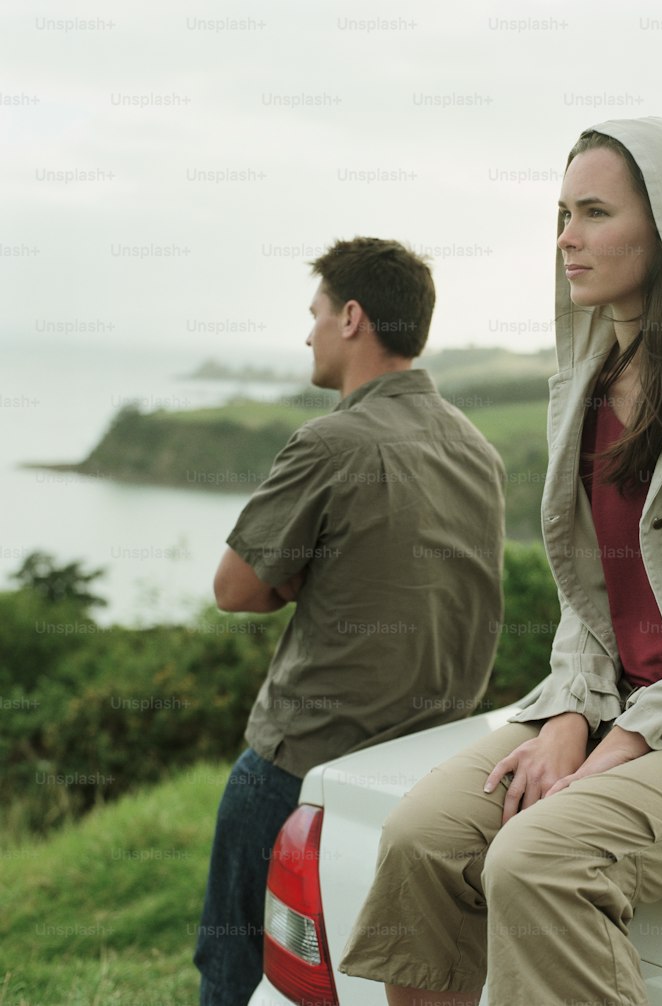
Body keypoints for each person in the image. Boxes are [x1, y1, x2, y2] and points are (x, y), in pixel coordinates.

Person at [337, 119, 662, 1006]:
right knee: (422, 837)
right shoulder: (579, 383)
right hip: (611, 705)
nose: (566, 238)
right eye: (562, 213)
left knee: (537, 860)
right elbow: (589, 589)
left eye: (595, 213)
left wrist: (626, 740)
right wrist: (573, 712)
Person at [193, 237, 506, 1006]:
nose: (308, 333)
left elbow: (235, 589)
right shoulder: (477, 449)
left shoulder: (330, 441)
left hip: (297, 766)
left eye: (317, 314)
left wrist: (306, 574)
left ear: (353, 317)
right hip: (425, 776)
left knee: (239, 975)